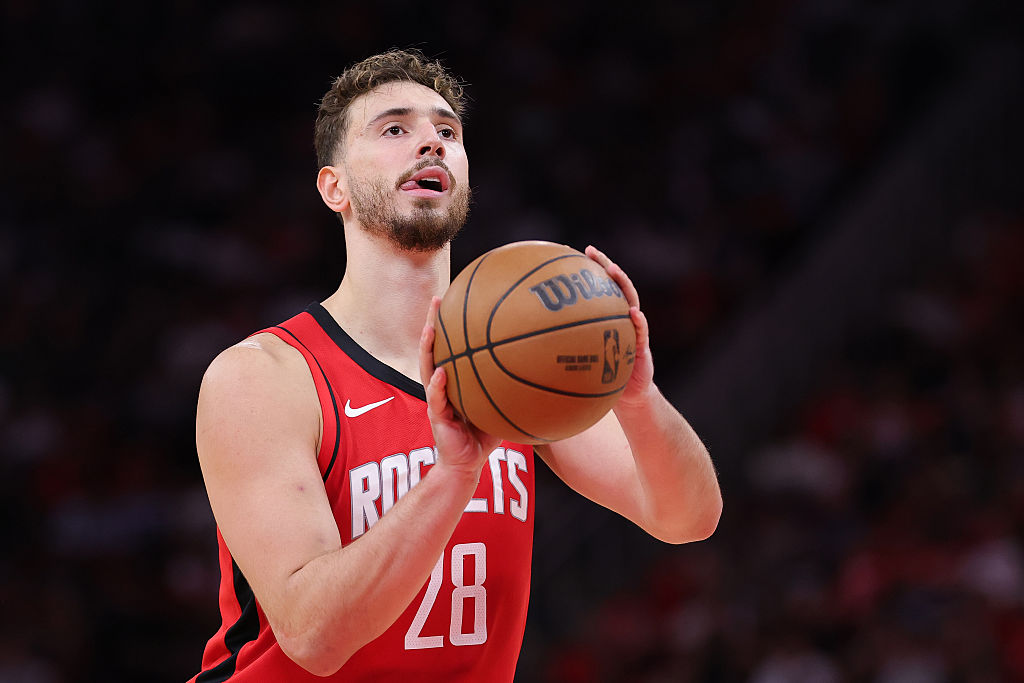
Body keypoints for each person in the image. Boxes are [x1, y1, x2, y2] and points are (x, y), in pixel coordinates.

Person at [189, 49, 722, 682]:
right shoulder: (264, 378)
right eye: (395, 129)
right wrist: (451, 478)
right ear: (335, 188)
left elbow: (688, 518)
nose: (430, 144)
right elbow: (314, 636)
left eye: (447, 132)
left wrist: (638, 398)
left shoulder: (523, 361)